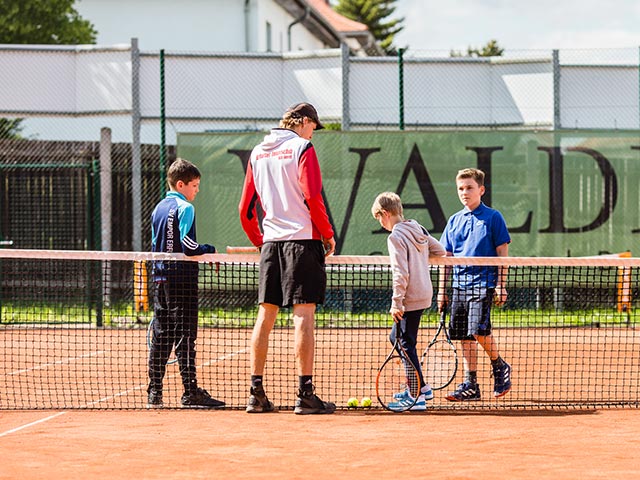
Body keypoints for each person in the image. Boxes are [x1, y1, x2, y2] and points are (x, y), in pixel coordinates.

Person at [238, 102, 336, 415]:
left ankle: (256, 394)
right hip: (303, 240)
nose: (313, 134)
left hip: (271, 244)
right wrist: (327, 233)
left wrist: (260, 241)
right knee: (303, 315)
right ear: (304, 122)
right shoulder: (302, 148)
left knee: (265, 316)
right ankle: (305, 394)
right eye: (313, 127)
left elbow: (245, 210)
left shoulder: (257, 152)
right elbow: (312, 196)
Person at [147, 158, 225, 409]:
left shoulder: (158, 208)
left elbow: (155, 246)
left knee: (162, 336)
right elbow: (189, 247)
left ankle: (154, 392)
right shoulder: (186, 209)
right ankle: (190, 392)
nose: (197, 190)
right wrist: (209, 250)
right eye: (194, 185)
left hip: (160, 279)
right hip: (182, 280)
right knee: (185, 336)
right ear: (181, 184)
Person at [438, 167, 512, 401]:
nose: (464, 192)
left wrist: (501, 284)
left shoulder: (493, 217)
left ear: (481, 190)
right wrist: (442, 290)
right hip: (459, 284)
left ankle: (499, 365)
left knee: (478, 330)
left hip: (484, 283)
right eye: (460, 188)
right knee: (463, 335)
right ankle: (471, 384)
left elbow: (503, 254)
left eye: (469, 187)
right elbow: (446, 258)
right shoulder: (454, 220)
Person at [372, 192, 446, 411]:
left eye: (379, 219)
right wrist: (420, 258)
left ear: (385, 214)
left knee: (405, 344)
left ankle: (415, 398)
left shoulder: (395, 236)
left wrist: (397, 302)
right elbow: (440, 250)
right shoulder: (418, 228)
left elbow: (400, 272)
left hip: (410, 297)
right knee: (397, 337)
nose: (381, 224)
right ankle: (422, 388)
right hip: (424, 294)